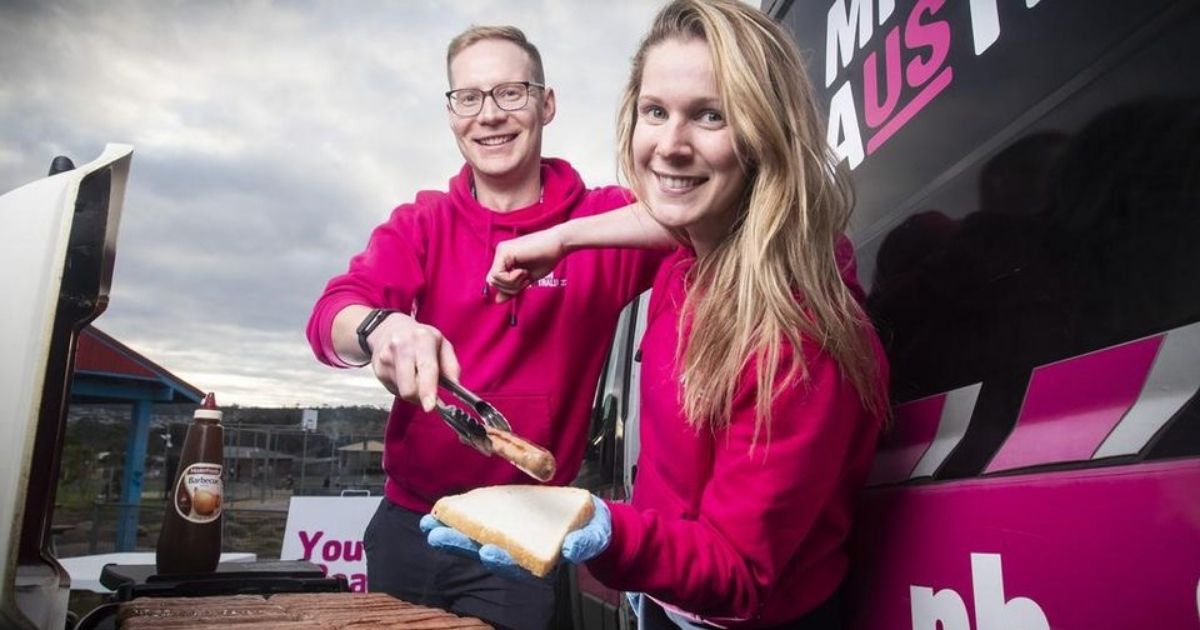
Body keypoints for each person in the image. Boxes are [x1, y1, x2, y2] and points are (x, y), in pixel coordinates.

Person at [425, 1, 890, 628]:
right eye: (655, 112)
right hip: (665, 598)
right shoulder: (688, 251)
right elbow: (664, 214)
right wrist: (561, 240)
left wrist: (606, 531)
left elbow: (738, 574)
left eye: (710, 116)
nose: (670, 146)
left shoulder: (796, 333)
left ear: (765, 133)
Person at [305, 25, 664, 630]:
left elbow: (700, 219)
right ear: (451, 114)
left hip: (520, 539)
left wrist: (563, 237)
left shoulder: (604, 219)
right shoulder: (423, 222)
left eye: (510, 93)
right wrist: (382, 327)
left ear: (546, 103)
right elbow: (331, 316)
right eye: (468, 97)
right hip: (410, 522)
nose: (489, 115)